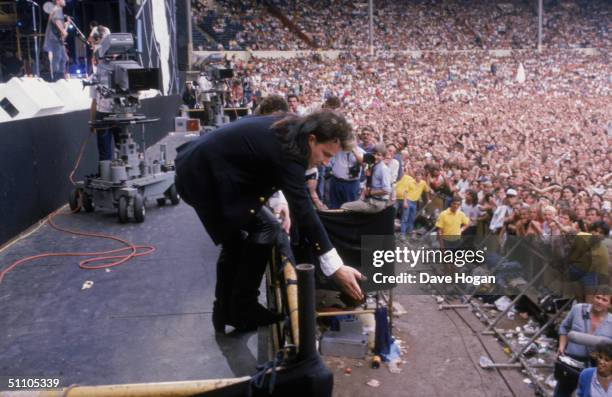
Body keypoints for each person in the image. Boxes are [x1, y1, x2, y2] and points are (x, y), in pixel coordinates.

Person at [174, 110, 365, 333]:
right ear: (312, 139)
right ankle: (242, 308)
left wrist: (278, 200)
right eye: (326, 154)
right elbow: (304, 209)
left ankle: (226, 310)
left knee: (237, 240)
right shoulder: (291, 152)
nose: (325, 162)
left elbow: (264, 163)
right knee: (260, 229)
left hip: (206, 168)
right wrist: (335, 267)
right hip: (203, 176)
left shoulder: (292, 128)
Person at [555, 294, 612, 397]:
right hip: (571, 363)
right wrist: (561, 347)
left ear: (610, 304)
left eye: (604, 300)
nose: (599, 301)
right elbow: (564, 327)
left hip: (595, 367)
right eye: (597, 297)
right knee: (561, 392)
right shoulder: (578, 309)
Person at [341, 143, 391, 213]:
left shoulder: (383, 169)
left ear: (383, 157)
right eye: (374, 154)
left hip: (376, 203)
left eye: (378, 155)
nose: (375, 156)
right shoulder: (372, 164)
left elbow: (387, 190)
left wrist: (371, 193)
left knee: (345, 206)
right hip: (368, 199)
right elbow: (362, 162)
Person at [43, 0, 68, 81]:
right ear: (57, 1)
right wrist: (63, 31)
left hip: (57, 38)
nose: (64, 1)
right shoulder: (57, 9)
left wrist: (66, 25)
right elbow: (56, 21)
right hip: (53, 38)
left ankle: (60, 75)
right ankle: (56, 77)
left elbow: (58, 23)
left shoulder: (57, 10)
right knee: (58, 57)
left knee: (64, 58)